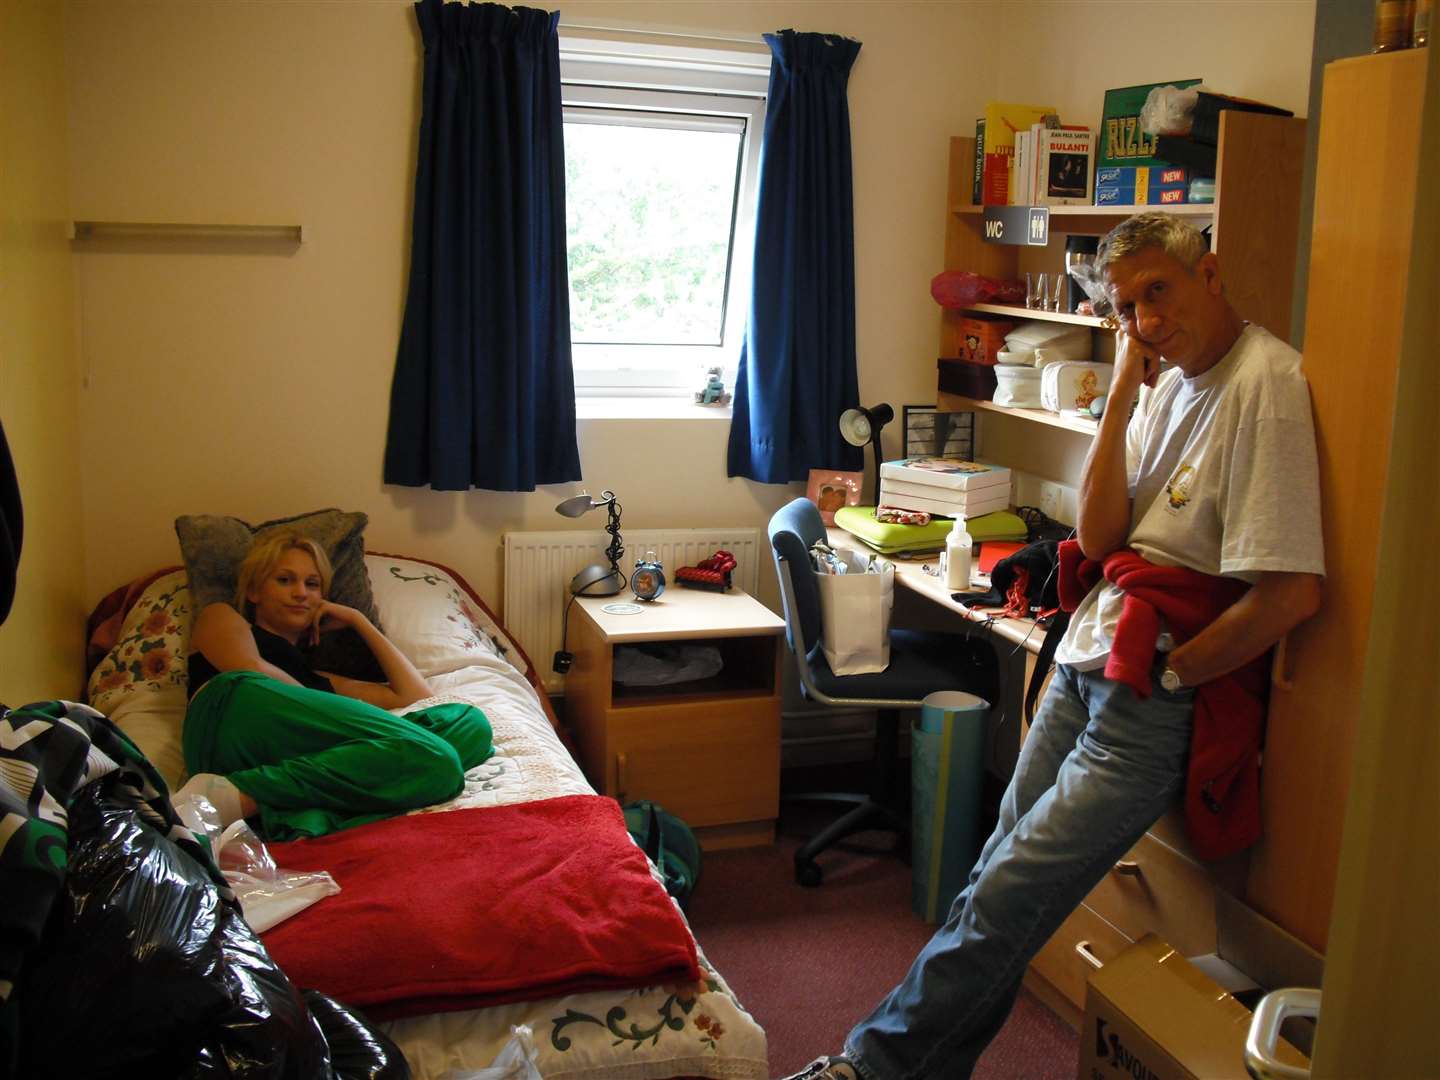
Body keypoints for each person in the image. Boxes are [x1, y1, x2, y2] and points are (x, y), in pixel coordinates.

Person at [784, 211, 1325, 1080]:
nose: (1147, 321)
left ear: (1212, 274)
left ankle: (869, 1068)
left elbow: (1293, 590)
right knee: (994, 875)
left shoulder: (1266, 383)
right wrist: (1120, 391)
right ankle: (928, 1067)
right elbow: (1106, 536)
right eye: (1126, 307)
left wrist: (1178, 670)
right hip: (1087, 658)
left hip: (1149, 688)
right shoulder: (1165, 383)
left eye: (1161, 293)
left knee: (1008, 896)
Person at [176, 530, 495, 840]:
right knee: (437, 757)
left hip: (283, 751)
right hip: (231, 712)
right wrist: (361, 730)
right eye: (285, 580)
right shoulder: (222, 616)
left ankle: (256, 799)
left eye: (312, 584)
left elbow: (414, 696)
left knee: (471, 725)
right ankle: (256, 798)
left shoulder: (318, 681)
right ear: (255, 592)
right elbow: (250, 668)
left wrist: (360, 621)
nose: (301, 593)